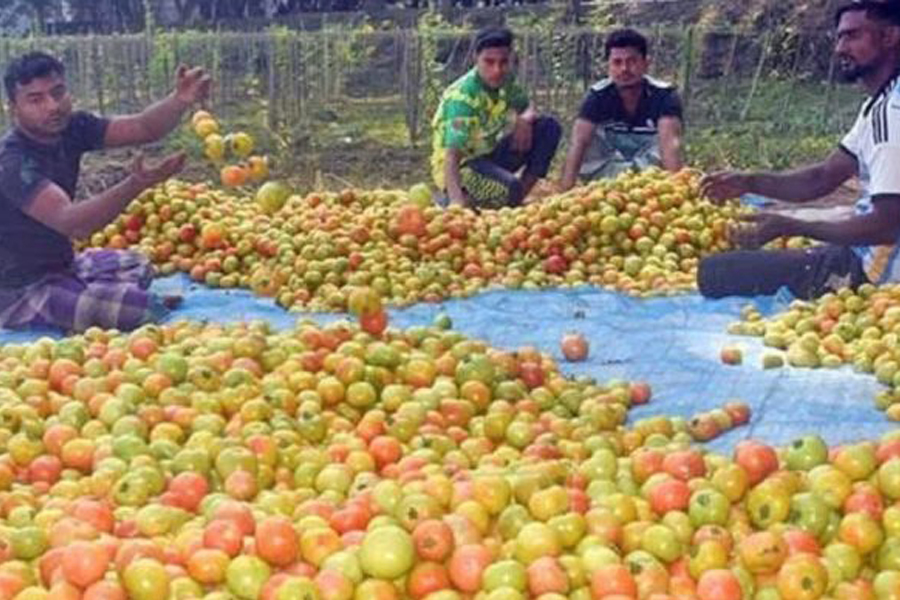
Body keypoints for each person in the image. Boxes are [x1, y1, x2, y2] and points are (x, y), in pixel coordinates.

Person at [698, 1, 900, 300]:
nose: (840, 48)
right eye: (839, 38)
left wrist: (793, 226)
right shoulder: (880, 101)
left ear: (890, 36)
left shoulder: (892, 114)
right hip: (867, 249)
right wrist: (749, 181)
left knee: (716, 272)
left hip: (874, 273)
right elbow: (822, 177)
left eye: (853, 36)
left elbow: (886, 226)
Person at [0, 52, 210, 332]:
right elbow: (74, 224)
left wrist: (179, 100)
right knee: (143, 310)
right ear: (14, 108)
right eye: (36, 100)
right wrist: (135, 183)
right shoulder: (12, 162)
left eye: (58, 92)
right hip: (17, 288)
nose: (53, 106)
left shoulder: (73, 128)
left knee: (138, 263)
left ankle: (83, 297)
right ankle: (81, 302)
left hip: (63, 265)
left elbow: (143, 127)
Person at [431, 26, 562, 210]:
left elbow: (527, 107)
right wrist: (456, 204)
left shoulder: (505, 82)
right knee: (510, 188)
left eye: (503, 62)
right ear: (476, 59)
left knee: (548, 127)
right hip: (462, 168)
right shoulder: (462, 99)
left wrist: (524, 120)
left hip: (489, 156)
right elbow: (452, 157)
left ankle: (515, 200)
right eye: (489, 62)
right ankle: (453, 199)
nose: (497, 70)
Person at [559, 28, 684, 191]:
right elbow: (578, 143)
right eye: (617, 62)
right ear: (608, 66)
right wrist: (565, 192)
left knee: (668, 142)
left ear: (646, 64)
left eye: (632, 61)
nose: (624, 69)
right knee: (584, 139)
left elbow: (669, 145)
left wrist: (675, 191)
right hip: (608, 172)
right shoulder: (597, 95)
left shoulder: (664, 95)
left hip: (650, 174)